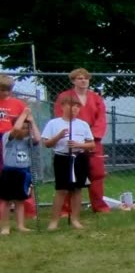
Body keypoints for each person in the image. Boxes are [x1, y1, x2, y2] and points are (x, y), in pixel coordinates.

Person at [54, 69, 110, 214]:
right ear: (73, 81)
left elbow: (101, 119)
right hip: (72, 140)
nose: (83, 81)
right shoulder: (64, 97)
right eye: (79, 78)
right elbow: (60, 118)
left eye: (86, 78)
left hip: (92, 140)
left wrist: (93, 136)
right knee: (69, 174)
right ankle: (66, 209)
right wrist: (71, 136)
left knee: (96, 174)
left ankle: (99, 206)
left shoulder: (96, 98)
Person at [42, 97, 94, 231]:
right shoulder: (53, 123)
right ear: (63, 107)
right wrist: (58, 136)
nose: (75, 109)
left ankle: (75, 219)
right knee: (62, 190)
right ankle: (54, 221)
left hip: (79, 158)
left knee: (77, 189)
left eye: (77, 106)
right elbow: (47, 144)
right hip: (62, 158)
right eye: (72, 106)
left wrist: (79, 144)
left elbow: (91, 144)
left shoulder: (83, 124)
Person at [0, 75, 38, 221]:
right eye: (2, 90)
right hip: (4, 139)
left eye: (8, 90)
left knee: (22, 174)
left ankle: (28, 210)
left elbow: (27, 121)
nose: (5, 93)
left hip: (16, 139)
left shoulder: (18, 104)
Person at [0, 108, 39, 234]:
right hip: (9, 172)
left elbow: (38, 139)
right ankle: (5, 227)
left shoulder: (27, 141)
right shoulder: (8, 137)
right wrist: (23, 114)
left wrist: (32, 122)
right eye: (24, 127)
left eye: (27, 128)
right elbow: (16, 129)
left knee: (20, 200)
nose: (25, 130)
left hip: (23, 173)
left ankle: (21, 225)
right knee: (6, 201)